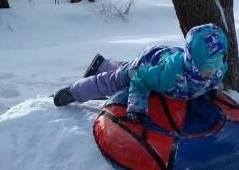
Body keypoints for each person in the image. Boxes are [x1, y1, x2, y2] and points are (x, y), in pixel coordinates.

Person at [53, 23, 228, 124]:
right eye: (207, 65)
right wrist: (137, 106)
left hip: (167, 57)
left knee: (125, 67)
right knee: (118, 79)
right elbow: (140, 79)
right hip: (150, 62)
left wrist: (208, 89)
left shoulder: (216, 72)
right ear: (193, 63)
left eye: (217, 62)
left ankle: (103, 63)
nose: (212, 70)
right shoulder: (169, 76)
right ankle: (75, 91)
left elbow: (212, 73)